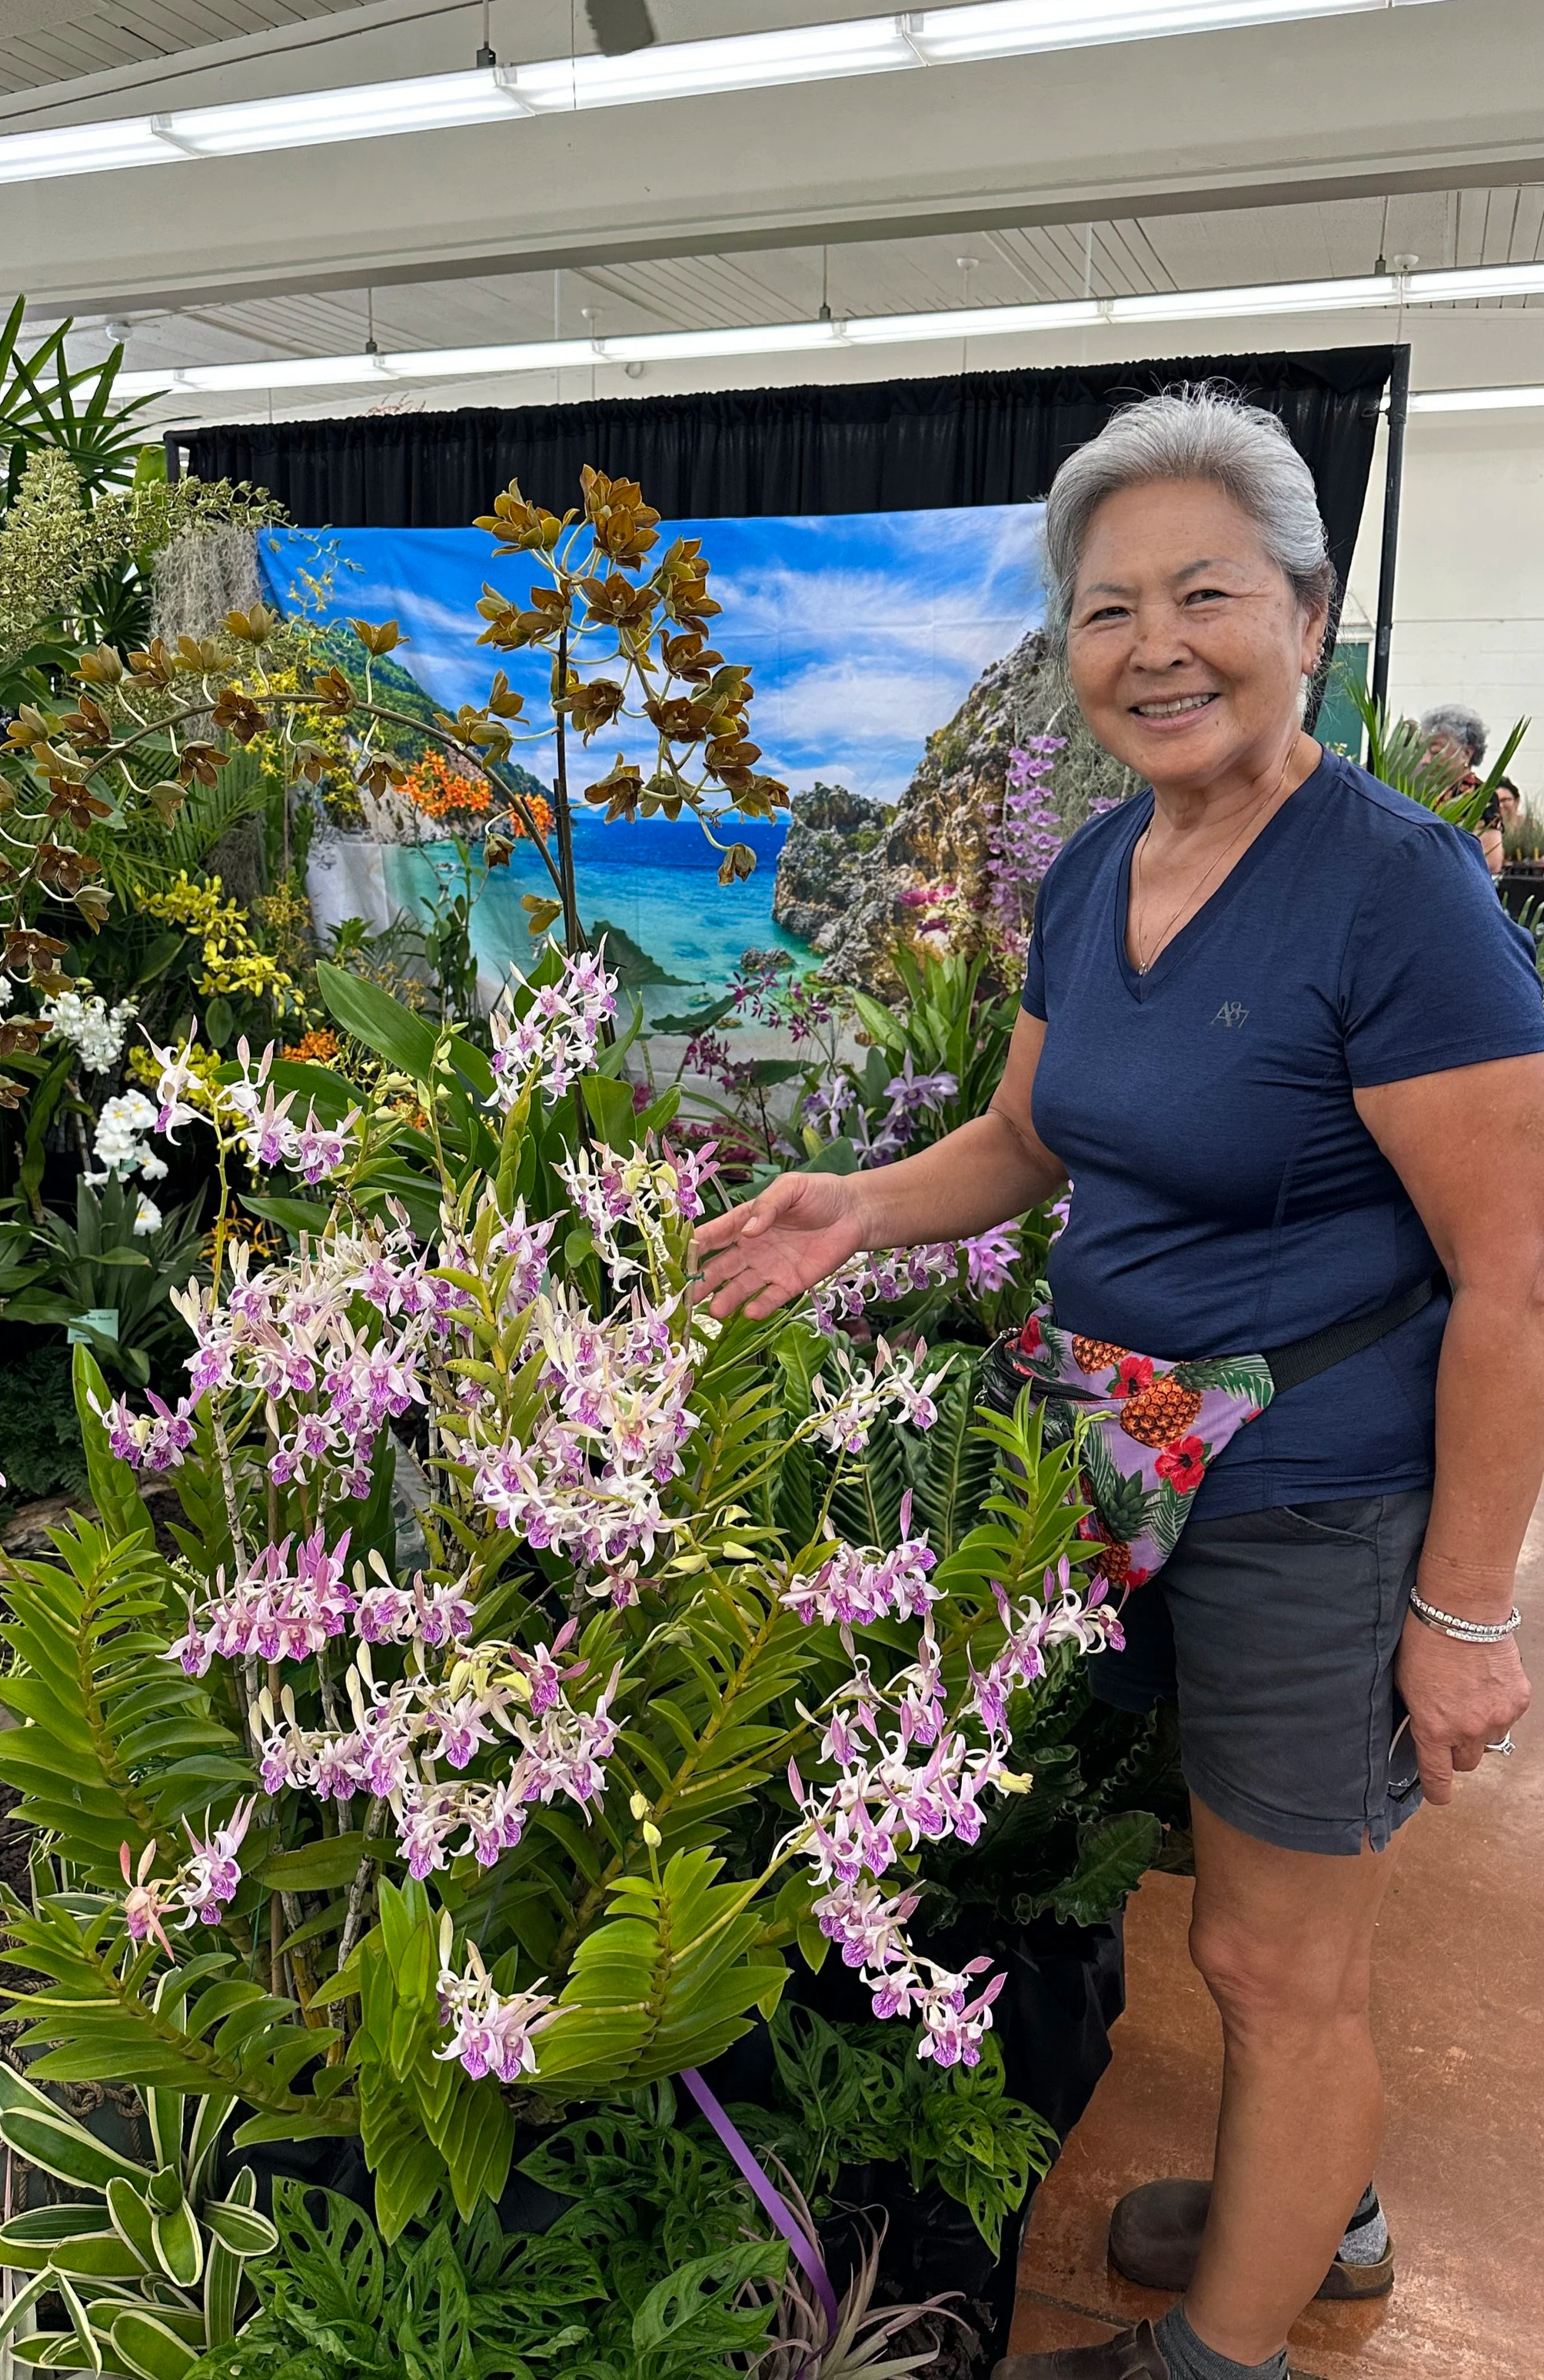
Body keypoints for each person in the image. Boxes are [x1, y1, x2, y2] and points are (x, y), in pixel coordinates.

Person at [693, 388, 1542, 2380]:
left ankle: (1213, 2360)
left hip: (1319, 1485)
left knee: (1269, 1956)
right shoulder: (1093, 871)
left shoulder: (1395, 889)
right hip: (1130, 1443)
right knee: (1232, 1900)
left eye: (1204, 594)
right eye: (1105, 608)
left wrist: (1464, 1613)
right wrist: (856, 1208)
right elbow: (1025, 1137)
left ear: (1308, 616)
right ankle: (1317, 2211)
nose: (1153, 644)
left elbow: (1517, 1274)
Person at [1419, 702, 1501, 873]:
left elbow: (1491, 861)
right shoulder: (1427, 792)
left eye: (1435, 752)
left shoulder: (1479, 796)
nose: (1425, 761)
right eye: (1422, 752)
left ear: (1466, 754)